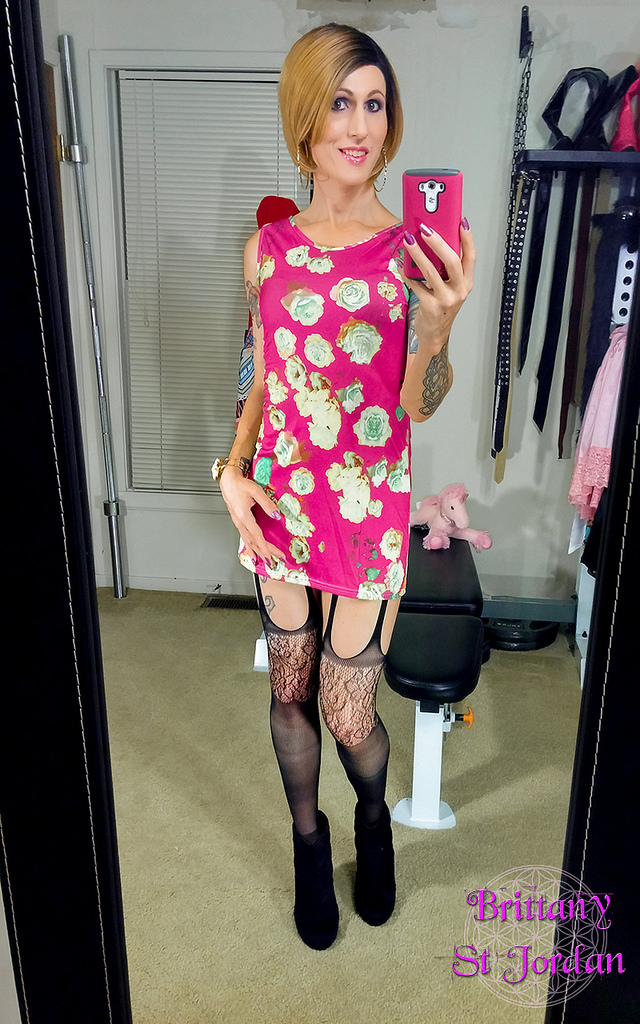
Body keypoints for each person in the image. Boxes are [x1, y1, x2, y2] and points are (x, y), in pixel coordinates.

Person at [213, 22, 475, 950]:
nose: (360, 125)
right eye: (340, 101)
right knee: (289, 691)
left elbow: (417, 406)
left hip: (366, 509)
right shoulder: (267, 248)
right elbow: (260, 376)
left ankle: (372, 822)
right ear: (304, 114)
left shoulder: (414, 252)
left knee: (345, 706)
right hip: (281, 503)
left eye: (374, 104)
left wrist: (438, 329)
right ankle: (308, 843)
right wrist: (230, 472)